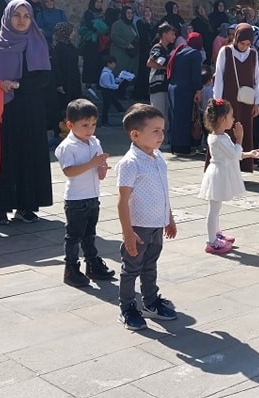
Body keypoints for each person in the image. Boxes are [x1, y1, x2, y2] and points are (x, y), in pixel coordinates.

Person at [0, 0, 53, 225]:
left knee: (27, 156)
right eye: (16, 15)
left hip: (30, 111)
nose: (21, 20)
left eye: (26, 16)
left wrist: (18, 86)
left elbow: (44, 78)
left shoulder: (38, 42)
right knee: (1, 158)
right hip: (2, 110)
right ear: (7, 17)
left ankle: (26, 206)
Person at [116, 104, 178, 331]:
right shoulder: (130, 163)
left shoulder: (158, 156)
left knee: (150, 265)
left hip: (155, 225)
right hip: (138, 227)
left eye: (162, 130)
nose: (161, 135)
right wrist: (127, 233)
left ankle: (151, 302)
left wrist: (168, 218)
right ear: (135, 135)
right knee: (131, 268)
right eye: (155, 131)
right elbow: (122, 201)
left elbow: (163, 190)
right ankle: (127, 307)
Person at [54, 99, 116, 287]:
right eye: (85, 125)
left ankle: (93, 263)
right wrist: (92, 164)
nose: (90, 129)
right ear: (70, 125)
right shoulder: (67, 146)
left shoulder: (95, 142)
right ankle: (71, 268)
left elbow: (99, 172)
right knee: (74, 236)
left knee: (90, 234)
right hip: (76, 199)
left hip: (92, 196)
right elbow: (69, 171)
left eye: (94, 124)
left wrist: (102, 168)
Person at [198, 98, 259, 254]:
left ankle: (216, 233)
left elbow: (233, 154)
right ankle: (211, 241)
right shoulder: (219, 138)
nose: (233, 119)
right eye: (231, 116)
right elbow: (234, 153)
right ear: (222, 119)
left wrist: (249, 154)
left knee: (216, 207)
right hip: (218, 175)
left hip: (220, 172)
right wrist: (240, 138)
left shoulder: (220, 137)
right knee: (214, 208)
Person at [213, 23, 259, 172]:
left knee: (243, 128)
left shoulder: (253, 54)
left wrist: (257, 102)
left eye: (248, 44)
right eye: (242, 43)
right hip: (228, 99)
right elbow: (219, 77)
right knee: (225, 128)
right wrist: (217, 101)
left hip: (245, 101)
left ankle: (241, 166)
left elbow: (256, 79)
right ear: (236, 38)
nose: (244, 46)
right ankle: (224, 166)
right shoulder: (225, 51)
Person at [167, 32, 204, 155]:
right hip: (186, 89)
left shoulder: (179, 50)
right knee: (185, 118)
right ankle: (184, 147)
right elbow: (196, 75)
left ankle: (174, 146)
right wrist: (198, 90)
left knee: (175, 118)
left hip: (173, 87)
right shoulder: (195, 54)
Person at [51, 22, 82, 140]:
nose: (73, 33)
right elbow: (56, 66)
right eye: (71, 31)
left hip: (73, 79)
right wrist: (59, 83)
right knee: (63, 108)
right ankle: (60, 132)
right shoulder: (57, 47)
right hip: (64, 81)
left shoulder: (69, 45)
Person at [147, 23, 176, 135]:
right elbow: (150, 62)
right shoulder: (157, 48)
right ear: (164, 34)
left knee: (164, 114)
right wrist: (164, 68)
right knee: (158, 113)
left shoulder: (167, 49)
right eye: (172, 34)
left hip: (164, 85)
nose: (174, 36)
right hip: (157, 85)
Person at [78, 0, 108, 87]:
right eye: (97, 2)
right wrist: (97, 29)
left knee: (99, 62)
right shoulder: (88, 13)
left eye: (100, 2)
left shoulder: (102, 14)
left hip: (100, 42)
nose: (99, 4)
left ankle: (98, 82)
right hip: (90, 42)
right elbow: (88, 24)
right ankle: (88, 83)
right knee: (89, 62)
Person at [110, 5, 139, 83]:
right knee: (119, 74)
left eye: (131, 13)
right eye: (128, 13)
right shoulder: (118, 24)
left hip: (130, 55)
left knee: (127, 76)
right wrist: (126, 44)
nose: (130, 15)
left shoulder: (132, 25)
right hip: (120, 53)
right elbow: (115, 36)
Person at [98, 54, 125, 126]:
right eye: (113, 63)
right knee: (106, 106)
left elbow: (112, 81)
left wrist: (119, 80)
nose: (115, 65)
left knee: (114, 101)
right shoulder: (106, 74)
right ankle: (104, 122)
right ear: (108, 64)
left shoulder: (109, 73)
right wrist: (117, 86)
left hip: (109, 91)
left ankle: (121, 109)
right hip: (106, 91)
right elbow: (108, 85)